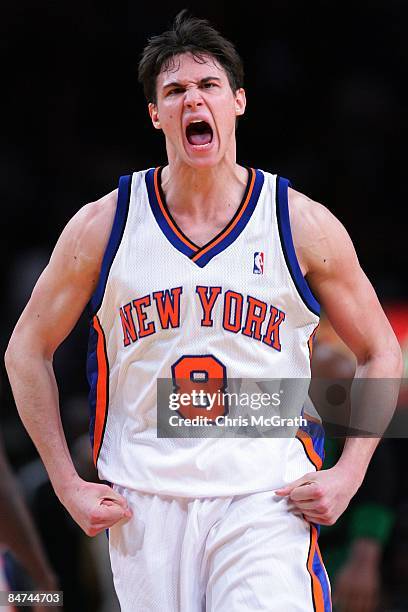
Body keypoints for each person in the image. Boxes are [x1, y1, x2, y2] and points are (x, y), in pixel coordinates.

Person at [5, 11, 402, 612]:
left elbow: (380, 352)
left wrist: (347, 477)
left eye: (209, 85)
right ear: (156, 115)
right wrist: (67, 484)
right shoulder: (104, 224)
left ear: (238, 102)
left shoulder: (300, 223)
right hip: (144, 504)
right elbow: (24, 351)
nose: (194, 99)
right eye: (175, 91)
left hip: (265, 499)